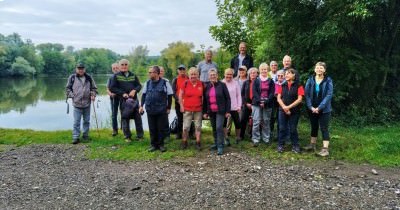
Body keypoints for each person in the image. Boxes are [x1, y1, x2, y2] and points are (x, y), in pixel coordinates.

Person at [140, 66, 173, 152]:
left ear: (157, 73)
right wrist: (141, 106)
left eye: (151, 72)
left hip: (161, 109)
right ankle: (153, 145)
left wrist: (169, 108)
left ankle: (161, 145)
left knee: (160, 128)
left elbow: (169, 95)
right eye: (149, 72)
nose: (150, 74)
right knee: (152, 128)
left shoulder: (165, 83)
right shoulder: (147, 83)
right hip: (150, 109)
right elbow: (143, 95)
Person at [109, 59, 144, 142]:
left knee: (137, 117)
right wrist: (122, 93)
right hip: (124, 100)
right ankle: (127, 136)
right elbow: (112, 88)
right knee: (125, 118)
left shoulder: (133, 75)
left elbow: (139, 85)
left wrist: (135, 90)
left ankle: (140, 136)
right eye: (122, 65)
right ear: (119, 66)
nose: (124, 66)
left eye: (126, 64)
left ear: (128, 66)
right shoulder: (116, 76)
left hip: (134, 100)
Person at [304, 62, 333, 157]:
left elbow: (329, 95)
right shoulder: (310, 80)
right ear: (314, 69)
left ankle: (325, 150)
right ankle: (312, 145)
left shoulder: (328, 80)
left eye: (321, 68)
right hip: (312, 108)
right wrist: (311, 107)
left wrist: (319, 107)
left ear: (324, 70)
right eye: (317, 68)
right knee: (314, 126)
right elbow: (307, 94)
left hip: (324, 109)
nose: (319, 69)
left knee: (324, 128)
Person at [66, 62, 97, 144]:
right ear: (76, 69)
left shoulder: (89, 78)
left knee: (86, 121)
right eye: (79, 68)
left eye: (82, 68)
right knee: (76, 121)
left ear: (84, 69)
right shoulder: (72, 77)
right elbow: (68, 89)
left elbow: (94, 88)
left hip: (87, 103)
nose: (80, 70)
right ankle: (75, 137)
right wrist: (73, 96)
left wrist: (93, 95)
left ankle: (85, 136)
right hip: (77, 104)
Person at [203, 69, 231, 155]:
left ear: (217, 76)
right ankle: (216, 143)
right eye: (211, 75)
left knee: (219, 127)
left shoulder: (222, 85)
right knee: (214, 128)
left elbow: (228, 98)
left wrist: (227, 111)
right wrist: (205, 112)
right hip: (211, 111)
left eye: (214, 75)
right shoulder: (207, 86)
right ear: (209, 76)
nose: (212, 76)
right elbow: (205, 100)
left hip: (221, 110)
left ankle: (220, 146)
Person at [276, 68, 304, 153]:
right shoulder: (282, 85)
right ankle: (280, 145)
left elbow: (299, 99)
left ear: (294, 75)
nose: (286, 75)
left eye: (288, 73)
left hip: (294, 111)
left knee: (293, 129)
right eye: (286, 73)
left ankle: (295, 146)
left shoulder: (299, 86)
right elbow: (278, 98)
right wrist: (284, 107)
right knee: (282, 128)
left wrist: (289, 107)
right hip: (282, 110)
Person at [179, 67, 204, 150]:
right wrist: (181, 106)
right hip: (187, 109)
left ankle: (198, 142)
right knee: (186, 127)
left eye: (195, 74)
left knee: (198, 127)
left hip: (198, 109)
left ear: (198, 75)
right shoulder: (185, 83)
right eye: (191, 74)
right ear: (188, 75)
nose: (193, 76)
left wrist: (203, 107)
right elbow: (180, 95)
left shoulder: (201, 84)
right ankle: (184, 141)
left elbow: (203, 97)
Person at [251, 63, 275, 146]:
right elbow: (254, 92)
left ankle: (266, 138)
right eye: (262, 69)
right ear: (259, 71)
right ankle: (255, 139)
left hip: (268, 103)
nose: (264, 71)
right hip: (256, 104)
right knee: (256, 122)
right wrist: (260, 101)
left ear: (267, 70)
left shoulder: (271, 81)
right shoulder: (256, 80)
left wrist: (265, 102)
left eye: (265, 69)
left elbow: (272, 93)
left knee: (266, 121)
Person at [222, 68, 242, 145]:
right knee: (224, 123)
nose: (229, 76)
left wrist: (239, 106)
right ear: (224, 74)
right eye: (227, 74)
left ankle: (237, 137)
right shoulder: (222, 83)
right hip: (225, 108)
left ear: (232, 75)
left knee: (237, 123)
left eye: (230, 74)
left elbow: (238, 95)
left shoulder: (236, 83)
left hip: (234, 107)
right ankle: (226, 137)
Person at [239, 67, 258, 141]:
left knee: (255, 121)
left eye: (254, 73)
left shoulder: (259, 82)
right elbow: (242, 95)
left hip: (255, 104)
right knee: (243, 120)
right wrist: (246, 103)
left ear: (257, 74)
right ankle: (241, 135)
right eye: (251, 73)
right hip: (246, 104)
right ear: (249, 74)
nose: (252, 74)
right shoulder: (246, 82)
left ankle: (252, 135)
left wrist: (253, 104)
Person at [171, 64, 189, 139]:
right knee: (179, 118)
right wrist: (178, 100)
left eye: (183, 69)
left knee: (188, 119)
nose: (182, 71)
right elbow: (173, 91)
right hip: (178, 102)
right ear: (178, 71)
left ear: (185, 70)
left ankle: (189, 133)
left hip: (188, 102)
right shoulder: (175, 79)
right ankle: (179, 133)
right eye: (180, 69)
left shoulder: (188, 78)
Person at [270, 70, 285, 140]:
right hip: (274, 103)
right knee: (272, 118)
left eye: (282, 75)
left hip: (283, 104)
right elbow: (272, 93)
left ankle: (280, 135)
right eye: (278, 75)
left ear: (284, 76)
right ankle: (271, 133)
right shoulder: (274, 84)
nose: (280, 77)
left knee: (280, 120)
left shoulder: (286, 84)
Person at [107, 62, 120, 136]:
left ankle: (124, 130)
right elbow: (107, 89)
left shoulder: (122, 77)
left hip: (122, 98)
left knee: (124, 114)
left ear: (119, 68)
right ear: (112, 69)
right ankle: (115, 130)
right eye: (113, 68)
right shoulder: (110, 78)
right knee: (114, 115)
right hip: (113, 98)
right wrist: (110, 94)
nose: (115, 69)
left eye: (116, 68)